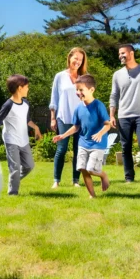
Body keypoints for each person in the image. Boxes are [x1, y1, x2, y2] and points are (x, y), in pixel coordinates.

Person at [53, 74, 110, 198]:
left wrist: (100, 133)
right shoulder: (78, 108)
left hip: (97, 144)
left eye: (81, 90)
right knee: (82, 168)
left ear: (91, 90)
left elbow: (108, 124)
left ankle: (103, 175)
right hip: (83, 143)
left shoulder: (98, 105)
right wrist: (63, 135)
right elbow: (76, 127)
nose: (78, 93)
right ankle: (92, 195)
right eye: (77, 90)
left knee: (91, 169)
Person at [0, 74, 42, 195]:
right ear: (20, 88)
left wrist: (36, 128)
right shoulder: (8, 105)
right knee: (15, 167)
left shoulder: (26, 104)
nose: (28, 89)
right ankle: (13, 192)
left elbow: (27, 119)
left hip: (23, 139)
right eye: (27, 86)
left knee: (29, 166)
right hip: (11, 139)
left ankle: (13, 180)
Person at [109, 44, 140, 185]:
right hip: (123, 116)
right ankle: (129, 178)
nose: (120, 56)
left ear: (131, 53)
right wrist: (112, 115)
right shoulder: (117, 74)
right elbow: (114, 95)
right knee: (125, 147)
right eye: (119, 54)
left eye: (123, 53)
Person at [49, 47, 88, 189]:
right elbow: (54, 98)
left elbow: (88, 99)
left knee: (79, 150)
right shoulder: (60, 76)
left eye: (80, 59)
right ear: (69, 58)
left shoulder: (84, 78)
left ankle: (76, 180)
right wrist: (53, 118)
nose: (77, 62)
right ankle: (56, 180)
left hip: (80, 119)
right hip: (63, 117)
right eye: (75, 58)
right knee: (62, 149)